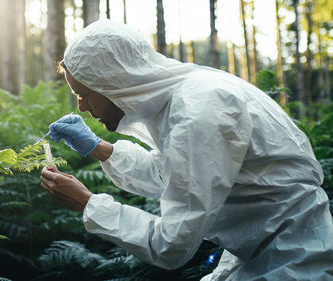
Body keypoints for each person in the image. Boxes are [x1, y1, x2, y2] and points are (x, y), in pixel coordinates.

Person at [39, 19, 333, 280]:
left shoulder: (201, 109)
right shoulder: (188, 96)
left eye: (84, 94)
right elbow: (173, 174)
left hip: (295, 262)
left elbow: (172, 245)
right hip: (267, 253)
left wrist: (88, 204)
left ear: (114, 81)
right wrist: (99, 149)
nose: (82, 106)